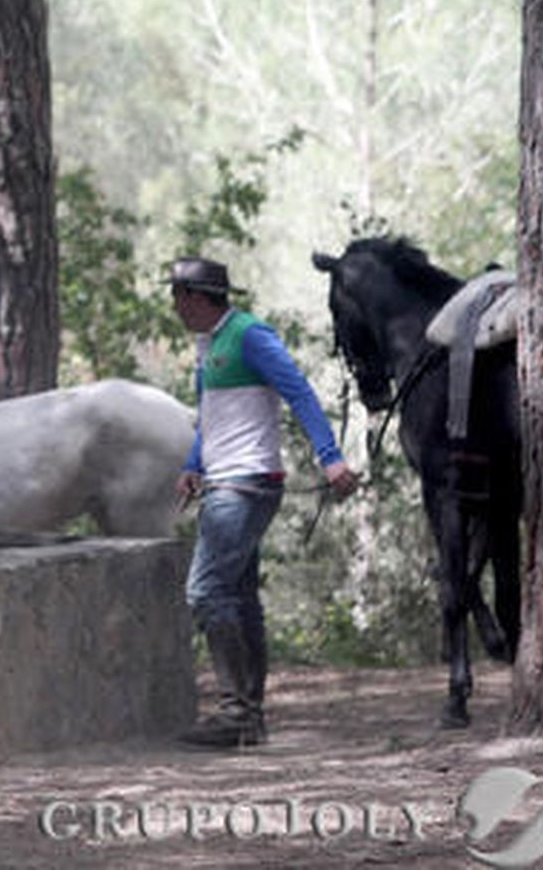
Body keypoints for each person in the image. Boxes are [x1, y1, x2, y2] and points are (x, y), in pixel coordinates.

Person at [169, 257, 359, 748]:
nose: (174, 306)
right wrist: (195, 464)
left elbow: (299, 392)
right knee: (240, 597)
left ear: (196, 296)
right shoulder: (208, 344)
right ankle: (249, 719)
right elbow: (210, 416)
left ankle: (236, 712)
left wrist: (331, 457)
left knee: (205, 592)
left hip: (246, 484)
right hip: (224, 480)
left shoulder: (250, 335)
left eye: (177, 295)